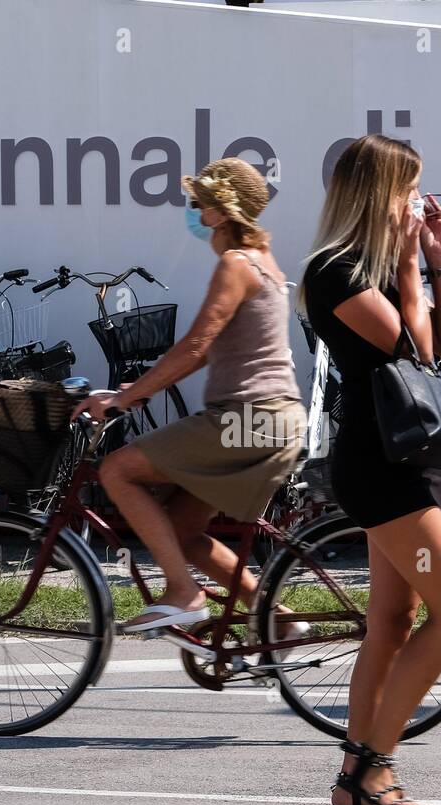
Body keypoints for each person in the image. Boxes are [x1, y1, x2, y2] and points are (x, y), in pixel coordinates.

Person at [300, 134, 441, 805]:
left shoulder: (381, 265)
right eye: (408, 189)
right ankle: (379, 764)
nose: (417, 202)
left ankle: (353, 775)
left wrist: (435, 260)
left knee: (392, 622)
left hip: (414, 463)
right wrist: (408, 261)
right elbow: (409, 346)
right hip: (380, 469)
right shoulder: (334, 271)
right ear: (377, 193)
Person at [74, 157, 306, 632]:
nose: (191, 211)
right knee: (181, 530)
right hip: (273, 418)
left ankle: (183, 592)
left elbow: (195, 344)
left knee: (117, 470)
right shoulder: (263, 263)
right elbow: (203, 352)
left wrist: (123, 400)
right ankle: (275, 618)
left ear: (218, 212)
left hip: (248, 418)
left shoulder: (235, 265)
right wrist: (135, 392)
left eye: (196, 202)